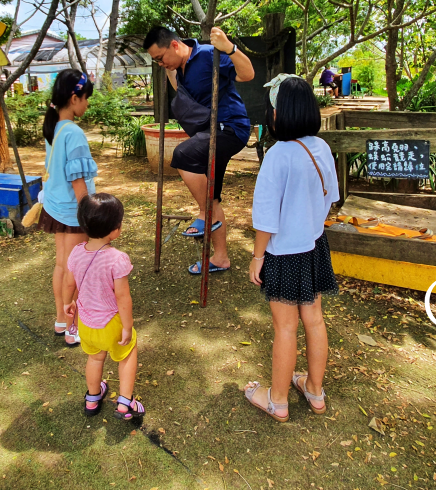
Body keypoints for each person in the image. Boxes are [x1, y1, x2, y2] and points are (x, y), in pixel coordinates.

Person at [245, 75, 340, 422]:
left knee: (285, 327)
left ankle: (278, 400)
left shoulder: (278, 155)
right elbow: (332, 196)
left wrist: (257, 257)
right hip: (314, 246)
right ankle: (315, 390)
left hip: (283, 254)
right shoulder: (321, 148)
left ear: (279, 112)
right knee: (314, 320)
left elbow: (266, 218)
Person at [143, 26, 255, 275]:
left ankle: (206, 215)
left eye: (160, 59)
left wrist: (230, 48)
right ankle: (221, 257)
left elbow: (247, 74)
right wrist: (171, 68)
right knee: (212, 196)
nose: (161, 64)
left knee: (182, 154)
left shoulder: (207, 55)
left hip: (230, 128)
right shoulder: (178, 68)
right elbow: (183, 90)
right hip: (209, 132)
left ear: (174, 45)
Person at [63, 193, 144, 421]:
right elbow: (123, 297)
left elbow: (69, 282)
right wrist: (127, 327)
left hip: (86, 323)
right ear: (115, 229)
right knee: (127, 354)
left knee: (95, 358)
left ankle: (92, 397)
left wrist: (67, 302)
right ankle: (125, 402)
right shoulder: (117, 259)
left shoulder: (76, 252)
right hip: (111, 322)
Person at [39, 68, 97, 347]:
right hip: (73, 212)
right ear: (74, 98)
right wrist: (89, 214)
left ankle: (62, 319)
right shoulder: (73, 132)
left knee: (62, 265)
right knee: (74, 270)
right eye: (86, 99)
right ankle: (73, 325)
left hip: (55, 208)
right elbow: (78, 179)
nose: (87, 104)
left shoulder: (55, 127)